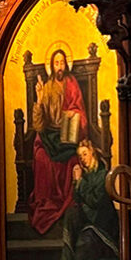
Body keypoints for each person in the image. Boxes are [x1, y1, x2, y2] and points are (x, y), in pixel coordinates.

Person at [29, 49, 89, 235]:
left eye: (62, 62)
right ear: (52, 66)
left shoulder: (72, 84)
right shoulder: (46, 88)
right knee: (41, 158)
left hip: (67, 136)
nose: (60, 67)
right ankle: (47, 202)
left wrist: (73, 115)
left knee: (72, 160)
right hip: (49, 135)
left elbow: (80, 111)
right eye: (56, 63)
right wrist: (39, 101)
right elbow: (38, 125)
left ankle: (69, 203)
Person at [59, 139, 119, 260]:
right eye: (80, 157)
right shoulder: (86, 175)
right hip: (88, 224)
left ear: (93, 154)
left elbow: (95, 201)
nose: (83, 159)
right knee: (71, 213)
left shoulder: (103, 174)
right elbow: (77, 198)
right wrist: (76, 182)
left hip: (101, 227)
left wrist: (80, 182)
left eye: (85, 154)